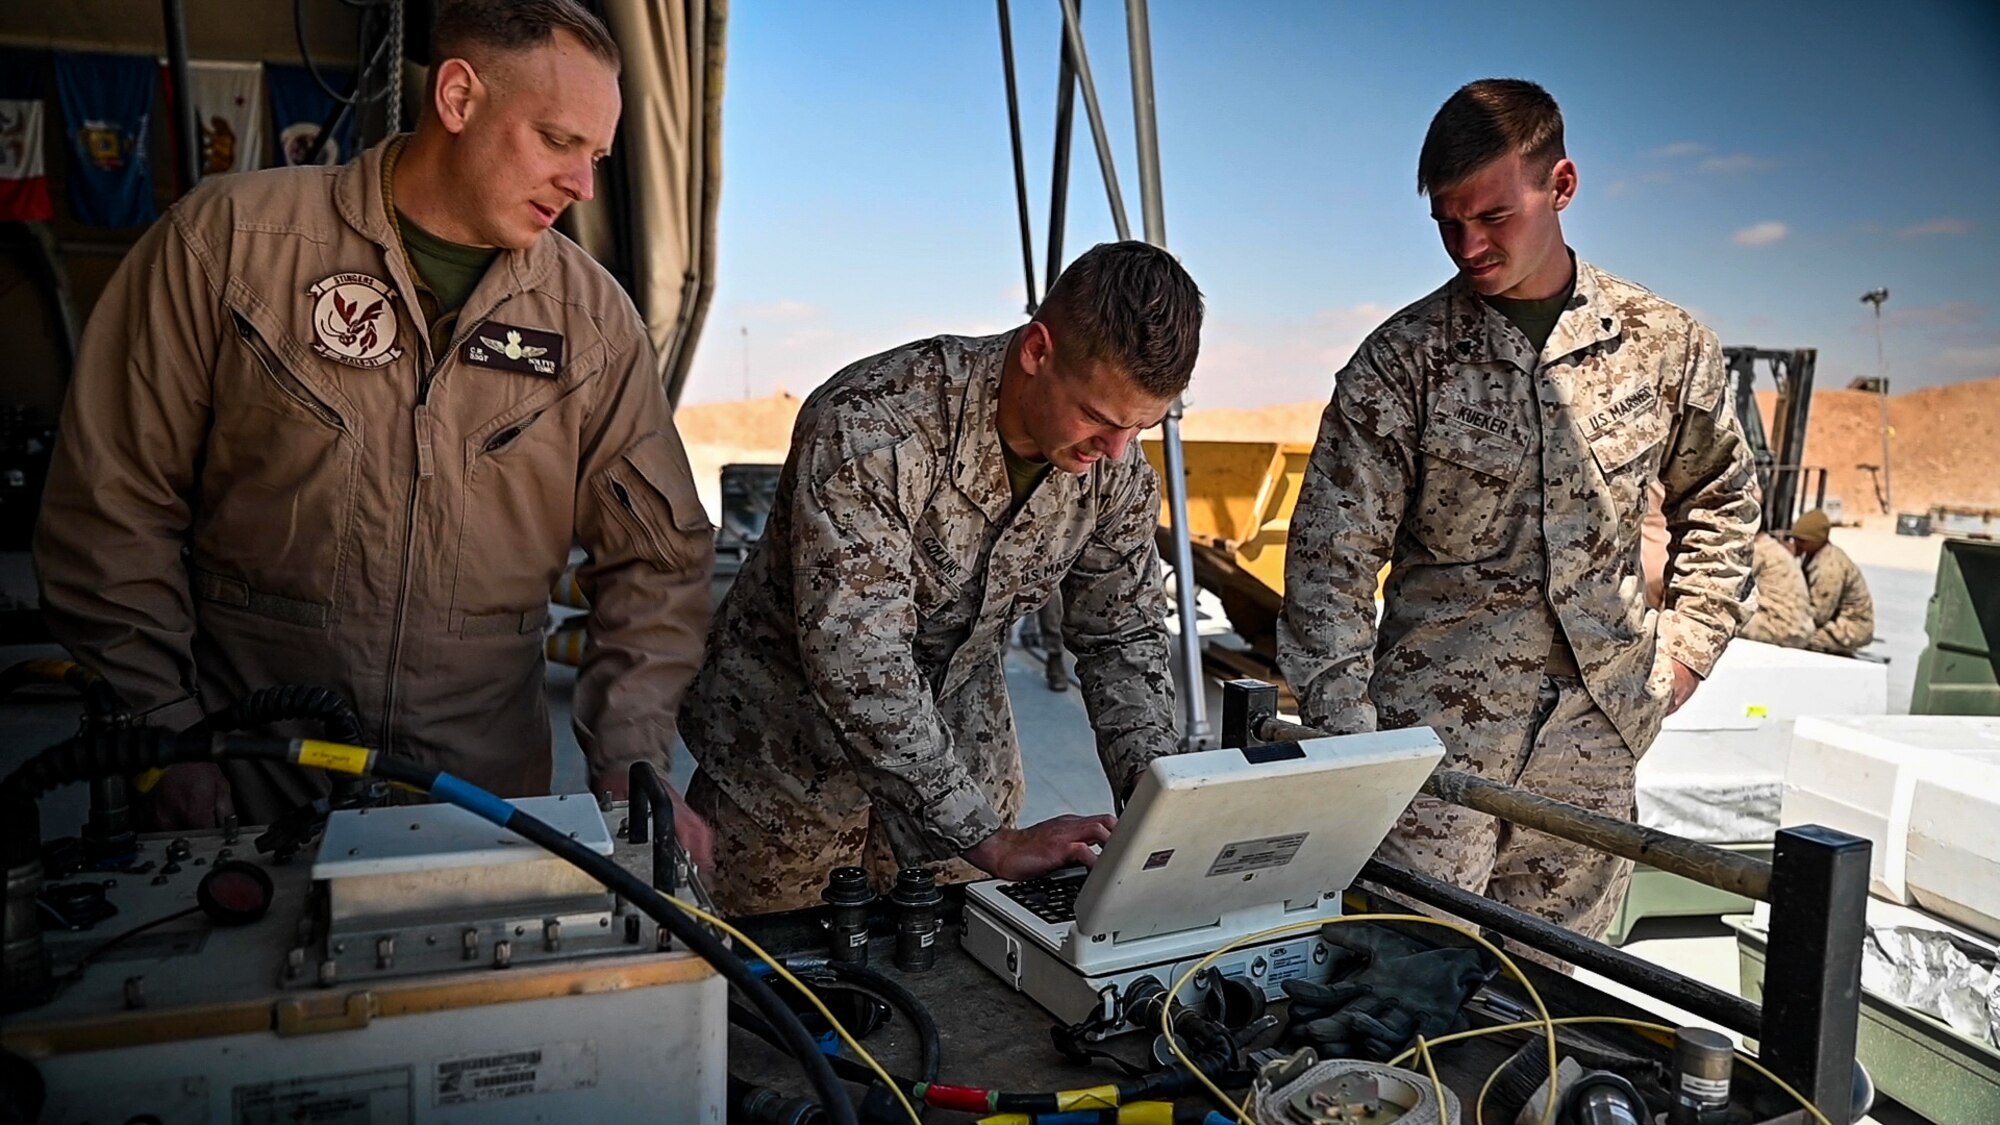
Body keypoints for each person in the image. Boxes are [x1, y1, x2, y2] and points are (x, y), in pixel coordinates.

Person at [35, 0, 715, 851]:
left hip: (479, 799)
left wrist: (630, 760)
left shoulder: (593, 323)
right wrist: (163, 730)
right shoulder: (233, 245)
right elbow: (109, 505)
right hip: (242, 779)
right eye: (557, 141)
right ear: (460, 99)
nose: (582, 184)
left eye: (599, 157)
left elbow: (658, 558)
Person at [1278, 79, 1758, 946]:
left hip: (1594, 756)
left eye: (1493, 216)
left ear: (1562, 185)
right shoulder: (1403, 364)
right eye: (1448, 224)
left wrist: (1683, 657)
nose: (1469, 244)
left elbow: (1722, 499)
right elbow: (1328, 567)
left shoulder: (1664, 345)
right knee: (1407, 1005)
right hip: (1431, 761)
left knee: (1548, 1018)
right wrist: (1355, 754)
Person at [681, 241, 1200, 914]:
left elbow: (1121, 637)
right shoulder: (873, 425)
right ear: (1037, 351)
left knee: (963, 988)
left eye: (1141, 427)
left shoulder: (1116, 473)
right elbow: (857, 654)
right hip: (784, 771)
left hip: (964, 761)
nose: (1115, 450)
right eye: (1100, 418)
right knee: (772, 989)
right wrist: (986, 838)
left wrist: (1154, 801)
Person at [1788, 509, 1875, 656]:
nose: (1796, 544)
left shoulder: (1829, 568)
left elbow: (1819, 615)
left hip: (1850, 627)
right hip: (1836, 621)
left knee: (1793, 637)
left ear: (1817, 540)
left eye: (1802, 541)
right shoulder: (1814, 555)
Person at [1739, 530, 1813, 648]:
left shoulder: (1759, 550)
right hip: (1801, 629)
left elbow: (1733, 582)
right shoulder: (1776, 549)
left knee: (1723, 619)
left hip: (1779, 627)